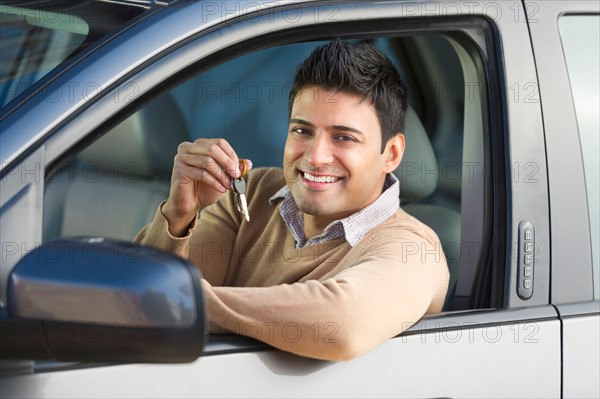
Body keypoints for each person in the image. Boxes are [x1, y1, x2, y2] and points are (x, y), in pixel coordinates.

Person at [135, 40, 449, 361]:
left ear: (392, 153)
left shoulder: (414, 250)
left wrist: (180, 301)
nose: (315, 156)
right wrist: (179, 215)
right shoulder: (252, 191)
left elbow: (341, 324)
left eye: (343, 137)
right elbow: (139, 301)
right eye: (302, 130)